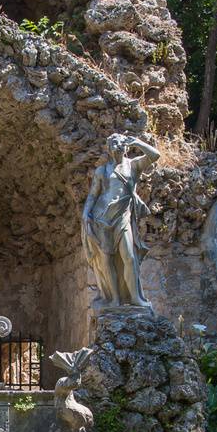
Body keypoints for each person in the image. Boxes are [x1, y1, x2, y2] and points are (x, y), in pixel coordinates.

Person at [82, 131, 160, 310]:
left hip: (123, 217)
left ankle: (135, 298)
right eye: (112, 146)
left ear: (125, 148)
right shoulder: (102, 171)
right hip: (101, 218)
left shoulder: (133, 166)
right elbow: (93, 195)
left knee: (129, 256)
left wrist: (138, 143)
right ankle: (114, 299)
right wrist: (85, 213)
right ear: (108, 149)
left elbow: (155, 155)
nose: (115, 149)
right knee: (106, 259)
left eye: (119, 146)